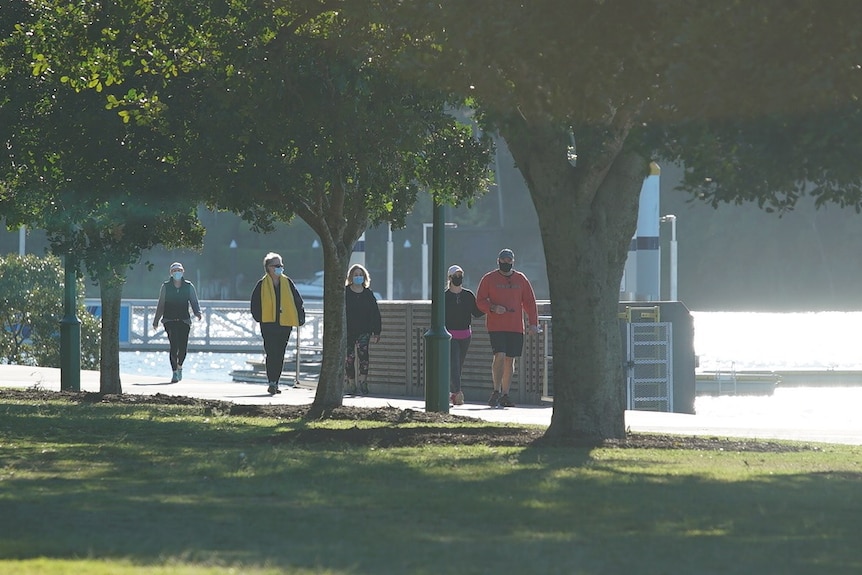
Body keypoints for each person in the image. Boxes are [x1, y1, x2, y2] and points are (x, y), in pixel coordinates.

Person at [476, 248, 539, 407]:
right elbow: (480, 301)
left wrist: (533, 324)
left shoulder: (521, 279)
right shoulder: (489, 279)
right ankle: (496, 391)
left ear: (513, 261)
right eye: (503, 260)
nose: (506, 263)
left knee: (510, 359)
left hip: (516, 326)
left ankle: (505, 394)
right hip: (496, 326)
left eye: (508, 260)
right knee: (500, 355)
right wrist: (493, 308)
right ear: (498, 261)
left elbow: (530, 303)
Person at [250, 252, 306, 395]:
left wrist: (300, 317)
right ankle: (271, 382)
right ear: (268, 267)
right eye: (276, 265)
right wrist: (259, 318)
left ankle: (276, 382)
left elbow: (297, 301)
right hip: (268, 324)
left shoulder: (287, 283)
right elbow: (254, 303)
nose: (280, 268)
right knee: (271, 352)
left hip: (285, 323)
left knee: (280, 353)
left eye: (281, 265)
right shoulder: (262, 284)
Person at [152, 262, 203, 383]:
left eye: (179, 270)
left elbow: (194, 301)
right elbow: (161, 304)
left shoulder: (188, 286)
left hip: (184, 320)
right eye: (174, 271)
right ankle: (174, 371)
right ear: (171, 273)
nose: (177, 273)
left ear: (183, 271)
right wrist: (156, 321)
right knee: (174, 346)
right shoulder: (166, 286)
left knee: (183, 347)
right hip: (169, 320)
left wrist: (197, 312)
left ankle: (180, 365)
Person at [445, 264, 484, 406]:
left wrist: (489, 305)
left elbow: (477, 312)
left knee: (458, 366)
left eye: (460, 275)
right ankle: (457, 393)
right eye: (456, 276)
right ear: (450, 278)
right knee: (454, 365)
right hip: (450, 336)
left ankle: (450, 393)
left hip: (466, 335)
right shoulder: (445, 297)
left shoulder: (468, 295)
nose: (458, 278)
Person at [344, 263, 382, 395]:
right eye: (356, 275)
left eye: (360, 275)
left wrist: (377, 331)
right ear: (351, 277)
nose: (358, 277)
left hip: (364, 331)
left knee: (364, 357)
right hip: (348, 331)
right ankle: (351, 383)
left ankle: (363, 383)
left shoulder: (368, 294)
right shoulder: (346, 293)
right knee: (349, 358)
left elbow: (375, 313)